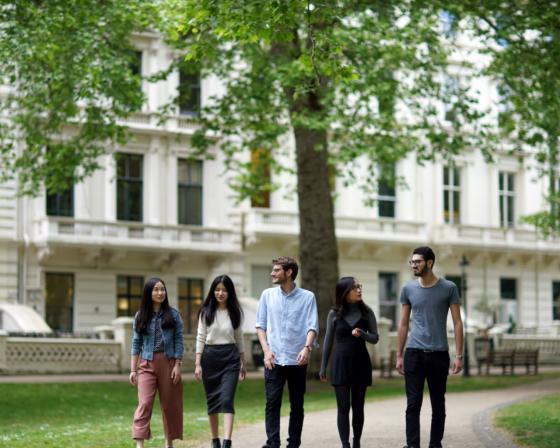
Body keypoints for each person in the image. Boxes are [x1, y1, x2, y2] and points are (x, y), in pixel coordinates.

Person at [396, 247, 464, 448]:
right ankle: (412, 445)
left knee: (438, 404)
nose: (413, 265)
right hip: (414, 353)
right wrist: (399, 355)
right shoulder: (408, 289)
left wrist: (459, 355)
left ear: (430, 263)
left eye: (417, 261)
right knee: (413, 404)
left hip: (439, 355)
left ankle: (435, 444)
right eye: (412, 262)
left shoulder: (449, 288)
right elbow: (403, 324)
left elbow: (458, 322)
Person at [255, 256, 319, 448]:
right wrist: (266, 351)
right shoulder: (267, 295)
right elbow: (260, 326)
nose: (272, 273)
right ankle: (273, 443)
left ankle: (293, 444)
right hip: (273, 360)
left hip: (297, 360)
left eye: (276, 270)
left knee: (297, 405)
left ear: (289, 272)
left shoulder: (308, 297)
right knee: (272, 403)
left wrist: (307, 348)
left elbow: (312, 326)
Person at [320, 277, 379, 448]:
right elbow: (328, 341)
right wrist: (323, 367)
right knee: (343, 406)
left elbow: (375, 338)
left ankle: (356, 442)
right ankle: (345, 444)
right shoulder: (334, 313)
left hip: (361, 362)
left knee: (358, 406)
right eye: (354, 288)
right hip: (340, 363)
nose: (359, 290)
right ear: (345, 292)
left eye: (359, 287)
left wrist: (363, 334)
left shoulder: (367, 312)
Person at [130, 277, 184, 448]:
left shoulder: (174, 315)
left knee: (169, 405)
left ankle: (169, 443)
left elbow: (178, 340)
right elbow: (136, 343)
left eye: (162, 289)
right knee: (144, 403)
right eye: (156, 289)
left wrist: (177, 364)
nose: (160, 293)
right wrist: (133, 370)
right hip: (146, 364)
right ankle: (139, 445)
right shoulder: (140, 316)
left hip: (168, 363)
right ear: (149, 292)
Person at [195, 275, 247, 448]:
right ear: (213, 291)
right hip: (209, 358)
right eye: (217, 290)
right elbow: (200, 337)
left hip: (230, 358)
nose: (220, 293)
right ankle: (215, 439)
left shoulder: (235, 313)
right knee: (212, 400)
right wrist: (197, 364)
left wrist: (243, 362)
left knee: (226, 399)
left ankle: (227, 441)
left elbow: (239, 338)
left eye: (224, 290)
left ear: (229, 292)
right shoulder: (205, 312)